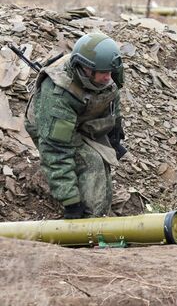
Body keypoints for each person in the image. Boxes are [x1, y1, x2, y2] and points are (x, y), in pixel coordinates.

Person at [25, 32, 126, 219]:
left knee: (104, 163)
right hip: (49, 124)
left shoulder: (107, 70)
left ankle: (100, 215)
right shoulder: (58, 94)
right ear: (86, 69)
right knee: (92, 163)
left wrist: (114, 133)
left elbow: (112, 96)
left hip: (81, 117)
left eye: (110, 72)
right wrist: (70, 201)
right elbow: (56, 151)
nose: (108, 77)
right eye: (104, 73)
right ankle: (88, 225)